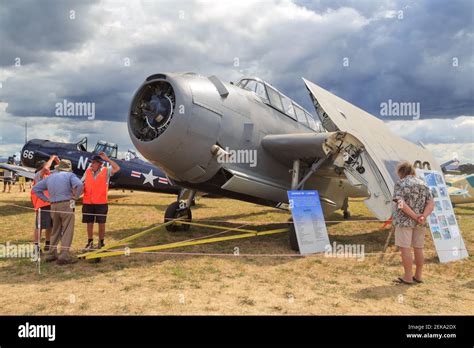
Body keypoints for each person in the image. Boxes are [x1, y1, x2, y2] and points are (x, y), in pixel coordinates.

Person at [33, 159, 83, 265]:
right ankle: (63, 256)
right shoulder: (70, 175)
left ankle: (51, 253)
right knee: (67, 230)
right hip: (66, 204)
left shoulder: (50, 176)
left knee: (55, 230)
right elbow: (79, 185)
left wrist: (47, 199)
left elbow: (36, 189)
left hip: (53, 205)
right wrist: (76, 197)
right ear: (68, 168)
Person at [392, 161, 434, 285]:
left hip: (404, 221)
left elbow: (400, 203)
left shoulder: (400, 183)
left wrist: (413, 215)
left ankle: (408, 277)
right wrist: (422, 216)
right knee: (419, 248)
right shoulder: (423, 184)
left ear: (401, 172)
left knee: (405, 249)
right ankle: (418, 276)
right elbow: (431, 204)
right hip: (420, 222)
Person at [82, 152, 120, 251]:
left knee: (101, 223)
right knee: (89, 223)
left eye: (94, 162)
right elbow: (81, 183)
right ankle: (90, 242)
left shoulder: (106, 171)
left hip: (101, 203)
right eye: (91, 162)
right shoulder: (87, 171)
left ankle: (101, 242)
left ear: (100, 163)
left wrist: (107, 159)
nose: (91, 164)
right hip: (88, 203)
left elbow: (117, 168)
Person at [31, 156, 59, 252]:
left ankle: (48, 244)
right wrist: (52, 158)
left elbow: (60, 171)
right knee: (39, 226)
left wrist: (58, 162)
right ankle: (36, 247)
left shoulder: (48, 175)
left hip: (49, 204)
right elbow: (46, 168)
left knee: (50, 225)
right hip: (42, 205)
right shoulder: (39, 175)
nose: (49, 168)